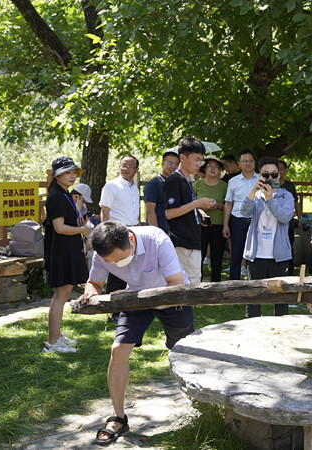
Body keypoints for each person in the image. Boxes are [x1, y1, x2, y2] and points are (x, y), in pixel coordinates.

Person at [78, 221, 194, 446]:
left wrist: (135, 296)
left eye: (120, 259)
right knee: (118, 350)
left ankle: (202, 402)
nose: (116, 265)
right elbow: (94, 283)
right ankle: (118, 417)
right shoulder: (103, 253)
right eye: (112, 263)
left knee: (184, 351)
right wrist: (91, 293)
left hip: (172, 296)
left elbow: (176, 285)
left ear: (131, 240)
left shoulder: (156, 240)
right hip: (133, 299)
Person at [42, 157, 92, 353]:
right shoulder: (56, 195)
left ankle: (56, 336)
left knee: (63, 294)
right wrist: (83, 230)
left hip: (68, 248)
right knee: (60, 296)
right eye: (67, 172)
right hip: (62, 251)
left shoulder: (65, 194)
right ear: (57, 176)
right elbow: (60, 228)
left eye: (74, 172)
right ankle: (53, 342)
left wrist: (78, 218)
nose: (72, 176)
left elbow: (67, 222)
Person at [241, 157, 295, 317]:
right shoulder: (255, 196)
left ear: (279, 175)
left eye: (274, 174)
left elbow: (285, 217)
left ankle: (281, 328)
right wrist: (253, 191)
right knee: (254, 298)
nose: (270, 178)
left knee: (281, 299)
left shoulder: (286, 196)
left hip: (279, 256)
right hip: (256, 254)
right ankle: (251, 327)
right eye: (266, 174)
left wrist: (270, 199)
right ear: (259, 176)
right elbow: (243, 212)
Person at [164, 138, 215, 284]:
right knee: (189, 287)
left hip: (193, 241)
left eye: (201, 160)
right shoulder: (174, 180)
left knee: (194, 284)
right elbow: (169, 213)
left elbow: (185, 206)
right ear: (182, 157)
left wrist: (197, 211)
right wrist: (197, 204)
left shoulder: (188, 180)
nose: (199, 164)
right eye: (196, 159)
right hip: (182, 244)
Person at [100, 155, 141, 294]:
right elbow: (104, 210)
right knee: (117, 269)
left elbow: (136, 212)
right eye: (124, 165)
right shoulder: (111, 186)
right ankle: (113, 304)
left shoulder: (135, 188)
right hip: (117, 232)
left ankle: (132, 301)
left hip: (134, 232)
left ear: (136, 169)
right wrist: (106, 234)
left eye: (130, 166)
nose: (126, 169)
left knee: (133, 269)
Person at [223, 149, 259, 280]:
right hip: (238, 221)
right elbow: (228, 203)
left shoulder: (262, 179)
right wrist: (225, 225)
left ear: (254, 162)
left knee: (258, 254)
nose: (247, 163)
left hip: (257, 221)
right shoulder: (233, 181)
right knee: (236, 254)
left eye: (250, 161)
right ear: (239, 163)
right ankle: (234, 283)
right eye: (244, 161)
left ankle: (256, 282)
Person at [193, 156, 227, 282]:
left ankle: (216, 284)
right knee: (199, 255)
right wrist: (201, 208)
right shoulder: (197, 184)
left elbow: (229, 206)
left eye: (216, 167)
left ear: (220, 170)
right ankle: (198, 283)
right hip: (200, 225)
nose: (212, 169)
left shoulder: (224, 186)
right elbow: (190, 205)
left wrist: (217, 206)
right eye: (209, 166)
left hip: (218, 225)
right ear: (204, 169)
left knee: (217, 256)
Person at [144, 150, 179, 234]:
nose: (173, 166)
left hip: (175, 232)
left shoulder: (177, 183)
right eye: (170, 163)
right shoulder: (153, 184)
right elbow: (150, 210)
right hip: (160, 231)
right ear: (162, 164)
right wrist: (155, 233)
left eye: (176, 164)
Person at [278, 160, 303, 270]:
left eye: (281, 169)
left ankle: (289, 270)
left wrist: (300, 219)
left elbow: (296, 203)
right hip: (273, 223)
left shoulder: (290, 186)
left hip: (288, 222)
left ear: (285, 171)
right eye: (276, 169)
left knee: (289, 244)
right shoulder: (268, 186)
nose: (279, 171)